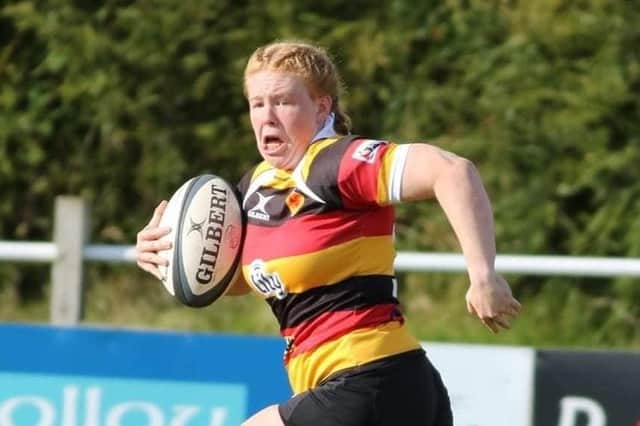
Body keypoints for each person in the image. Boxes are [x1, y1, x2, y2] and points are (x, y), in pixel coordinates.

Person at [136, 40, 521, 426]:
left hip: (371, 379)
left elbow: (451, 170)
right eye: (257, 104)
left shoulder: (337, 164)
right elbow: (238, 277)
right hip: (368, 389)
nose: (267, 116)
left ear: (321, 106)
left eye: (283, 101)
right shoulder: (255, 186)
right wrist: (165, 256)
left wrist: (482, 273)